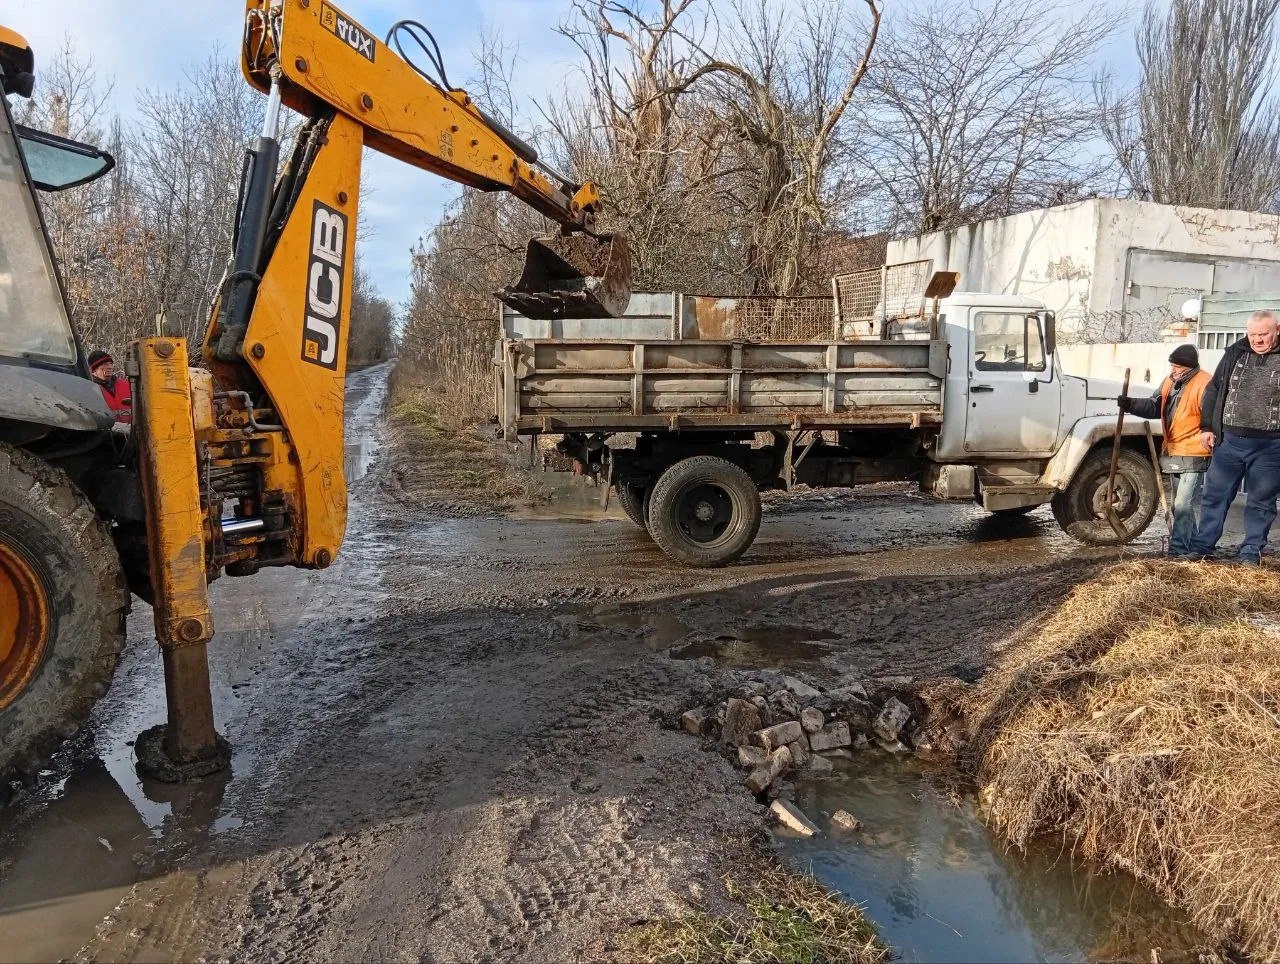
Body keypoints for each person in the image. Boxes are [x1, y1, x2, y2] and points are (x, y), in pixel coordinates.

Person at [1189, 309, 1280, 565]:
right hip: (1228, 442)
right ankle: (1202, 547)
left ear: (1277, 331)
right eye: (1253, 334)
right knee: (1214, 496)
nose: (1257, 340)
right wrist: (1207, 427)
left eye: (1263, 334)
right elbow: (1214, 389)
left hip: (1270, 446)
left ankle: (1251, 552)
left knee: (1261, 502)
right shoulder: (1234, 353)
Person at [1118, 344, 1212, 557]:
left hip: (1195, 451)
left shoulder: (1205, 383)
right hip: (1174, 448)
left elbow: (1211, 418)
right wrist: (1130, 404)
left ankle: (1177, 551)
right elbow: (1154, 406)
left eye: (1177, 366)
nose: (1173, 370)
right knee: (1178, 506)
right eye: (1172, 365)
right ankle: (1195, 546)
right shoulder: (1170, 381)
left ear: (1189, 367)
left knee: (1182, 504)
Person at [88, 350, 132, 424]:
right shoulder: (89, 389)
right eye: (105, 364)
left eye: (111, 364)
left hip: (130, 431)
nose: (110, 367)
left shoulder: (126, 385)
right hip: (104, 433)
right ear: (94, 369)